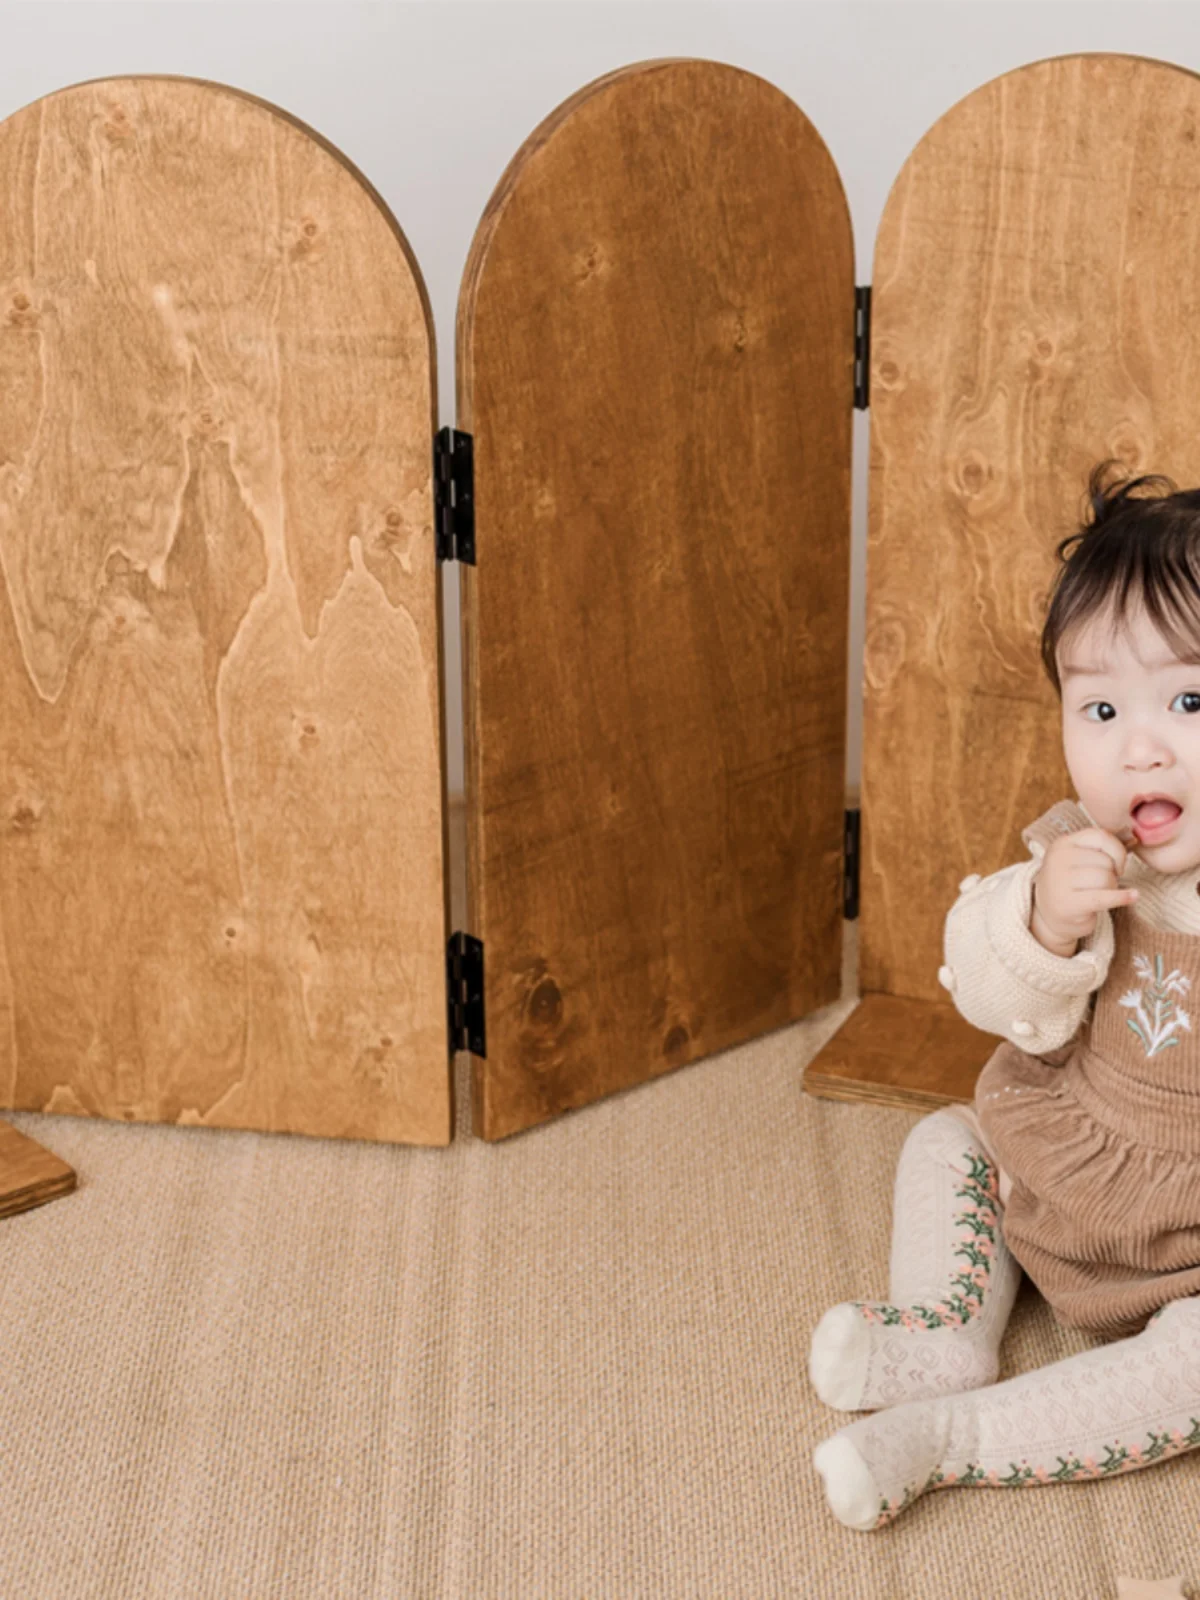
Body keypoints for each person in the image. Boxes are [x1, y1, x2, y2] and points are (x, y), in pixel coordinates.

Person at [808, 460, 1200, 1531]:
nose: (1142, 743)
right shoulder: (1073, 855)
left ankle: (956, 1439)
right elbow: (992, 999)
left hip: (1190, 1247)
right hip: (1061, 1164)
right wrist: (1039, 921)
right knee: (946, 1140)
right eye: (1103, 706)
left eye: (1190, 698)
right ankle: (944, 1329)